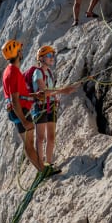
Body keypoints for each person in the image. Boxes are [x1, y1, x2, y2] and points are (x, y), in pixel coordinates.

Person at [24, 45, 76, 173]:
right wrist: (63, 91)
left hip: (51, 106)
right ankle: (42, 166)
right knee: (41, 138)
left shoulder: (49, 72)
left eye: (52, 55)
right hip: (40, 106)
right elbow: (43, 91)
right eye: (49, 55)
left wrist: (59, 94)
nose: (52, 58)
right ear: (41, 58)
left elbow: (50, 91)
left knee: (51, 137)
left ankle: (49, 163)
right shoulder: (38, 72)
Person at [1, 39, 44, 172]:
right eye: (20, 49)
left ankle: (41, 169)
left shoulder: (10, 70)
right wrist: (24, 121)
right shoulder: (13, 73)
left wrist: (34, 95)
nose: (22, 51)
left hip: (18, 111)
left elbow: (18, 95)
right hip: (21, 111)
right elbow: (15, 100)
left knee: (29, 143)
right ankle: (42, 170)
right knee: (29, 144)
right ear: (17, 53)